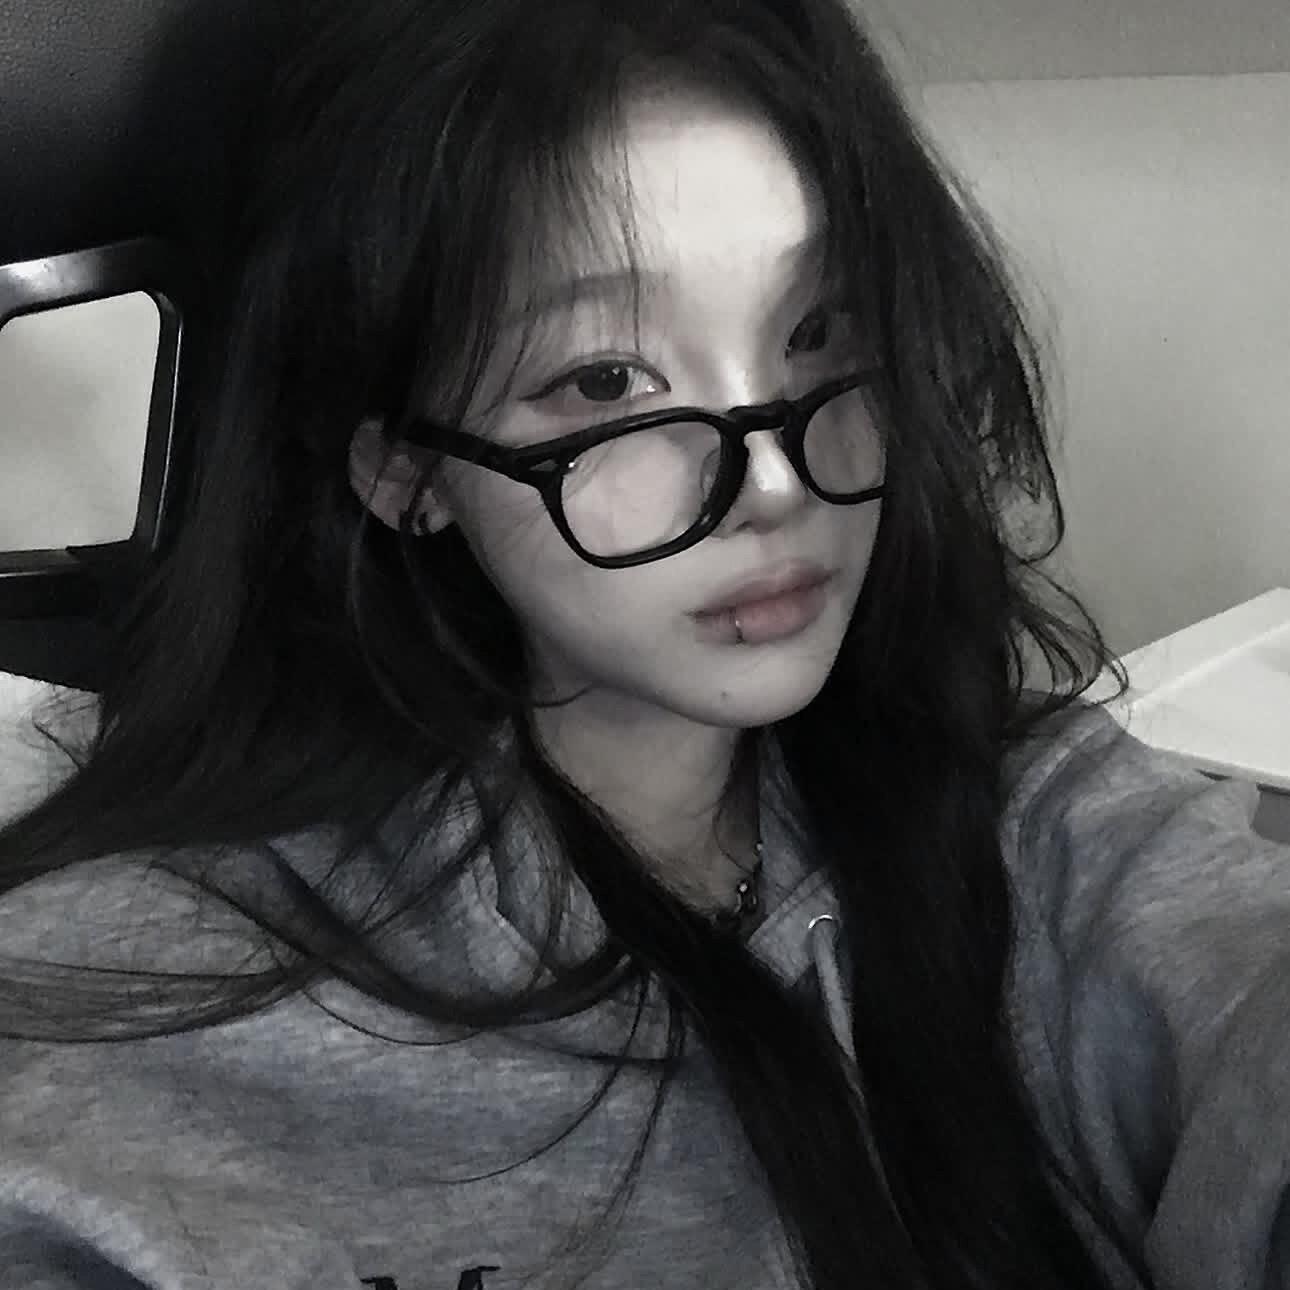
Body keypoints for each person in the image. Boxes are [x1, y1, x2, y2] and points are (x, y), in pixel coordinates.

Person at [0, 0, 1287, 1287]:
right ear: (404, 470)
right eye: (605, 382)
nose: (775, 480)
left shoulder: (1036, 822)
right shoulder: (126, 1026)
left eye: (818, 331)